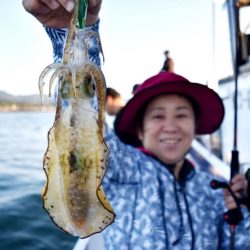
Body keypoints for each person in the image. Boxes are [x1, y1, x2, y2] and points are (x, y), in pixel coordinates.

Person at [23, 1, 250, 249]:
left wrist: (243, 209)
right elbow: (82, 121)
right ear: (140, 130)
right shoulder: (125, 171)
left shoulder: (213, 192)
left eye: (182, 115)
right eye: (158, 116)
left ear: (195, 127)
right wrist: (71, 29)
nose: (171, 126)